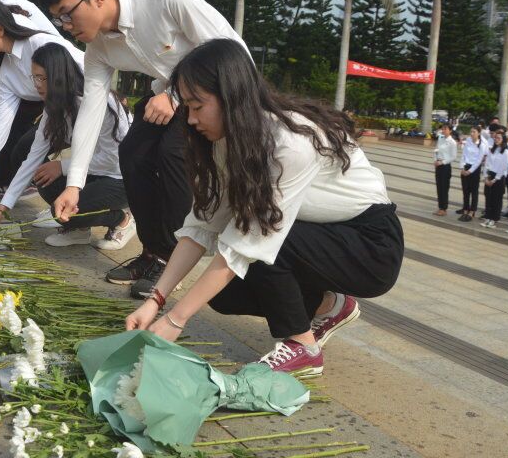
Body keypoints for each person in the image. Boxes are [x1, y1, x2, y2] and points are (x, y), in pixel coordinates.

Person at [124, 40, 402, 376]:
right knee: (224, 296)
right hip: (316, 234)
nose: (191, 119)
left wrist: (176, 320)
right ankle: (330, 306)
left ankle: (303, 348)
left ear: (230, 95)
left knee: (264, 241)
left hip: (370, 245)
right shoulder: (230, 140)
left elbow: (252, 239)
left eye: (197, 106)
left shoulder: (290, 142)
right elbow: (202, 225)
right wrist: (156, 300)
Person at [39, 0, 248, 299]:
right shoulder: (98, 50)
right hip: (167, 98)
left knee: (171, 155)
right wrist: (74, 185)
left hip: (220, 96)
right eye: (59, 20)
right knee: (133, 153)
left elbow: (232, 51)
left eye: (67, 15)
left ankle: (173, 256)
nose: (66, 27)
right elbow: (91, 111)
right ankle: (153, 252)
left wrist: (178, 97)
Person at [0, 43, 137, 250]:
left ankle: (121, 220)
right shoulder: (55, 106)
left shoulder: (96, 103)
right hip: (93, 171)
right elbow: (33, 157)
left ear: (59, 76)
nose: (36, 84)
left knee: (60, 210)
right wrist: (2, 208)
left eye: (42, 78)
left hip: (122, 177)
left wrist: (63, 166)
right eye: (34, 77)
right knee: (43, 178)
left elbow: (113, 160)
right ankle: (79, 230)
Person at [0, 2, 86, 202]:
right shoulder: (4, 66)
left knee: (87, 159)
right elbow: (4, 114)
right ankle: (59, 206)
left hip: (87, 109)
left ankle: (81, 207)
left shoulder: (39, 43)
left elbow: (85, 66)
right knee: (25, 151)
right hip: (57, 114)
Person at [480, 131, 508, 228]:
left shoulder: (506, 152)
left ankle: (494, 219)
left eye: (499, 138)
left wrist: (494, 180)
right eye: (495, 138)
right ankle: (488, 217)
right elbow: (487, 164)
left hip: (499, 178)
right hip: (490, 175)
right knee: (488, 198)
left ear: (503, 140)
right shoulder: (492, 150)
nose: (496, 140)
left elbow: (503, 167)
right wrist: (485, 177)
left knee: (497, 199)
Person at [457, 126, 485, 222]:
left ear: (479, 133)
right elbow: (463, 154)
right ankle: (465, 209)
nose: (472, 133)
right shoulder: (468, 141)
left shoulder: (482, 144)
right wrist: (462, 167)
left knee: (474, 191)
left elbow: (479, 160)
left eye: (474, 132)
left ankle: (472, 211)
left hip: (474, 169)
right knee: (465, 190)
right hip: (466, 166)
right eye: (471, 131)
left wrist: (470, 171)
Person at [433, 124, 457, 216]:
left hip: (445, 166)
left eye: (445, 129)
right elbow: (436, 150)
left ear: (450, 130)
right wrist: (435, 160)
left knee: (444, 188)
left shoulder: (452, 142)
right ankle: (440, 207)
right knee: (439, 187)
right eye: (442, 128)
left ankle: (444, 208)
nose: (443, 130)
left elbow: (453, 157)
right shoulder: (440, 138)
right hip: (438, 165)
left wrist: (442, 162)